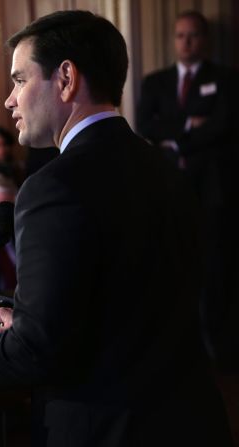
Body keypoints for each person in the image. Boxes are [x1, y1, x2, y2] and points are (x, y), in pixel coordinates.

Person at [0, 10, 231, 446]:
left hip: (107, 429)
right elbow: (132, 305)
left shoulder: (53, 188)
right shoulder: (164, 165)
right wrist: (25, 318)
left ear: (65, 78)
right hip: (192, 420)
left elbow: (36, 352)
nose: (10, 100)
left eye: (20, 80)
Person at [136, 10, 238, 366]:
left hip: (213, 192)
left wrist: (175, 135)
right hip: (166, 188)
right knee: (167, 264)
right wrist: (190, 126)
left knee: (214, 270)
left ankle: (218, 351)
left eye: (193, 35)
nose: (187, 42)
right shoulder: (155, 82)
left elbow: (224, 126)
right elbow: (146, 124)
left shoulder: (225, 79)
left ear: (205, 39)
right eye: (180, 35)